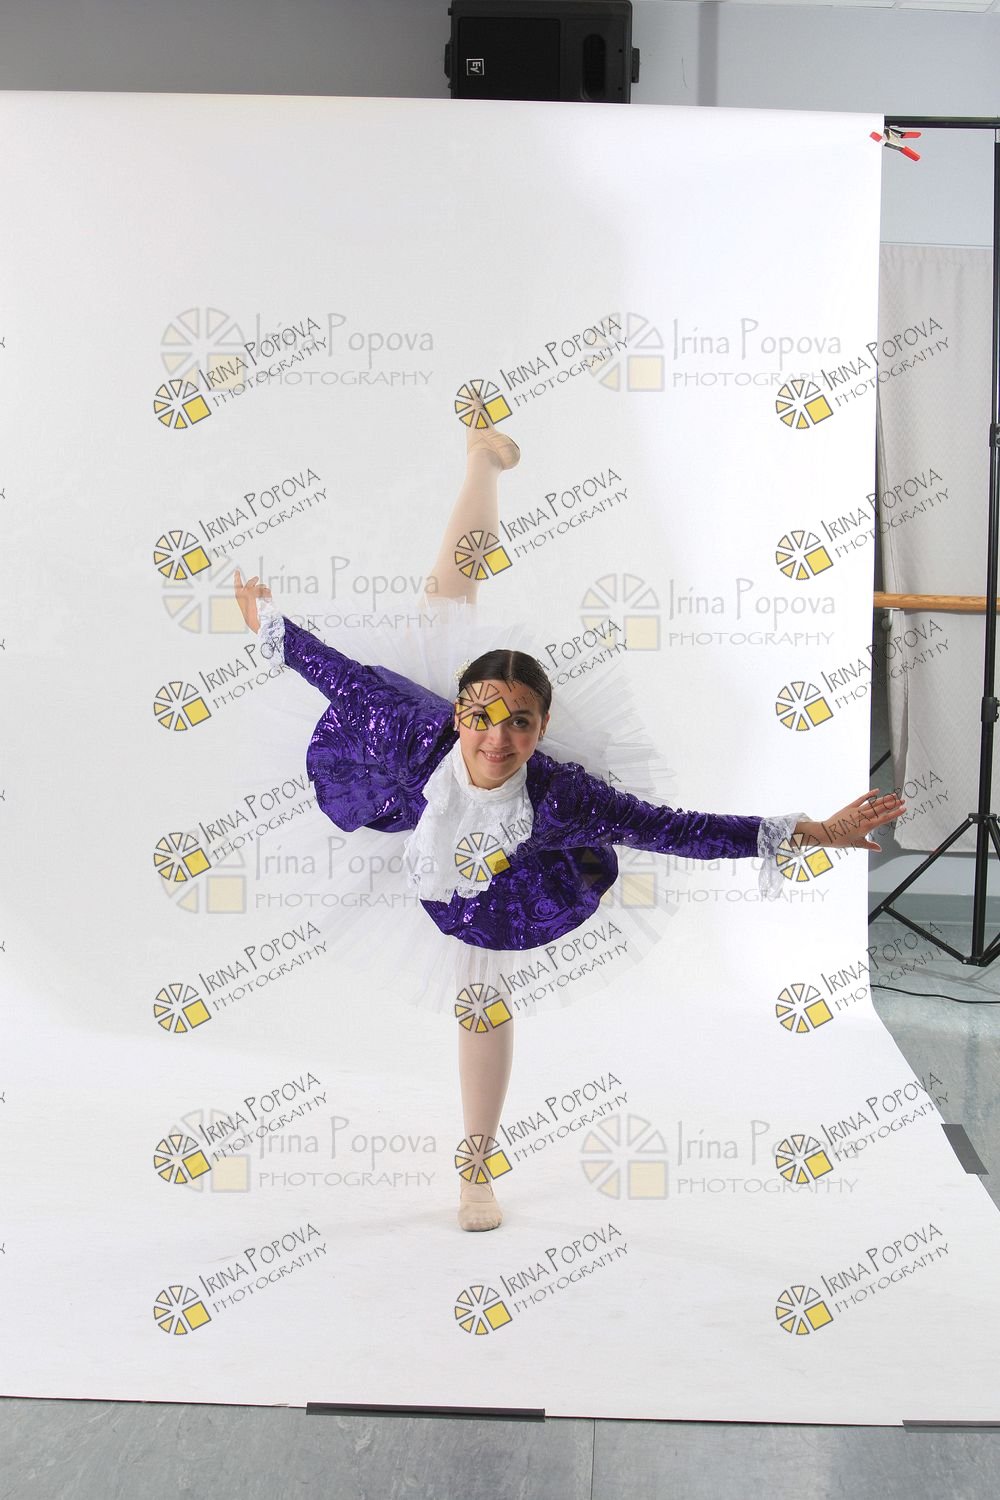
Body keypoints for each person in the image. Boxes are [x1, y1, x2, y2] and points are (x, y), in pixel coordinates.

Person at [233, 409, 905, 1234]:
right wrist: (269, 624)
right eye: (483, 718)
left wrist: (810, 831)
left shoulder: (562, 797)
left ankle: (477, 1168)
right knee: (447, 593)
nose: (498, 739)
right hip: (410, 773)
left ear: (543, 728)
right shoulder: (408, 724)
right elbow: (333, 672)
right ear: (459, 712)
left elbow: (678, 828)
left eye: (519, 724)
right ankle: (483, 460)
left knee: (481, 998)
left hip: (504, 860)